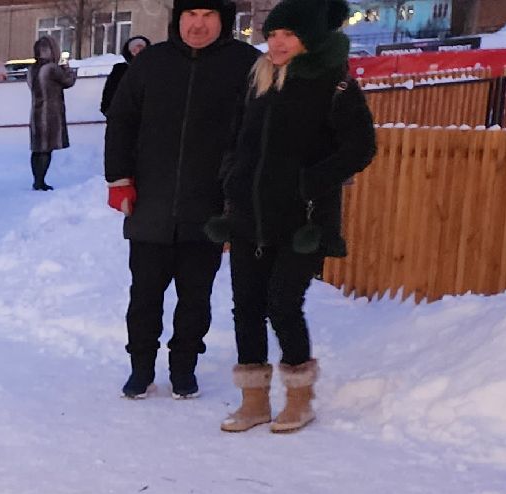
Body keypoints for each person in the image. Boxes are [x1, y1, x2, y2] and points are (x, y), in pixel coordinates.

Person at [206, 0, 375, 434]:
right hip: (248, 214)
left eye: (289, 35)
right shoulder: (259, 79)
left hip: (302, 220)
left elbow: (360, 148)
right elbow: (235, 140)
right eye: (273, 34)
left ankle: (299, 400)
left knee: (282, 304)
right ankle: (254, 402)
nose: (278, 43)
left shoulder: (335, 86)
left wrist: (309, 182)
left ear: (310, 39)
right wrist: (232, 178)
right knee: (246, 307)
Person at [104, 0, 260, 400]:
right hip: (151, 204)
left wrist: (239, 198)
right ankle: (141, 368)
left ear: (224, 20)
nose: (198, 24)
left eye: (208, 15)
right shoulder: (151, 63)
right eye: (191, 14)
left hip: (209, 206)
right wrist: (119, 180)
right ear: (179, 19)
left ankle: (184, 368)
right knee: (144, 296)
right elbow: (121, 121)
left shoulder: (245, 64)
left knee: (195, 297)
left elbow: (257, 133)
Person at [28, 37, 77, 190]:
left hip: (36, 112)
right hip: (50, 114)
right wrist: (67, 68)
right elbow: (68, 81)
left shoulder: (32, 69)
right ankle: (40, 182)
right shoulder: (51, 68)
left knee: (37, 149)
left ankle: (37, 180)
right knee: (46, 148)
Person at [100, 34, 154, 115]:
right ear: (129, 51)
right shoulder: (120, 69)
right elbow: (110, 90)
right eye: (135, 49)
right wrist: (107, 108)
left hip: (147, 113)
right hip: (123, 112)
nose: (138, 51)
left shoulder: (152, 68)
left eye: (141, 48)